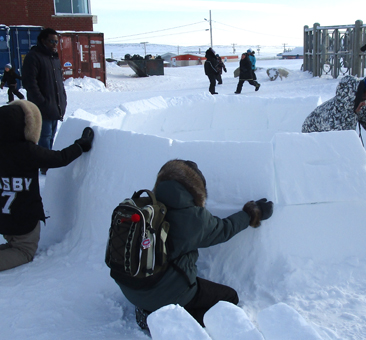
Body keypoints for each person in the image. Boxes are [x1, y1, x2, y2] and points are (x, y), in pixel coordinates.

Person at [115, 159, 273, 331]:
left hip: (130, 287)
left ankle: (147, 308)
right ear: (196, 190)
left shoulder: (142, 206)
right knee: (229, 298)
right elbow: (224, 229)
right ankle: (159, 320)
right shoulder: (193, 218)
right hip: (163, 293)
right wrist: (252, 213)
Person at [0, 100, 94, 271]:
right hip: (24, 219)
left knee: (13, 243)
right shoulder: (27, 151)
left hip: (4, 217)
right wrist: (80, 146)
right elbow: (59, 158)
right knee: (24, 251)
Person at [301, 75, 366, 177]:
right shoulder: (334, 119)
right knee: (331, 170)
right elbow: (343, 151)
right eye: (363, 97)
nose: (364, 103)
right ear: (351, 99)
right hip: (314, 141)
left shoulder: (359, 103)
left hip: (335, 141)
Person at [22, 28, 66, 175]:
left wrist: (63, 101)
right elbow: (30, 83)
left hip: (55, 107)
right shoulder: (33, 57)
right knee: (44, 138)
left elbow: (59, 83)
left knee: (51, 137)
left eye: (56, 41)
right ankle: (45, 166)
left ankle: (48, 164)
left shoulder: (54, 58)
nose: (55, 44)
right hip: (42, 108)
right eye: (51, 41)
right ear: (43, 41)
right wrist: (41, 102)